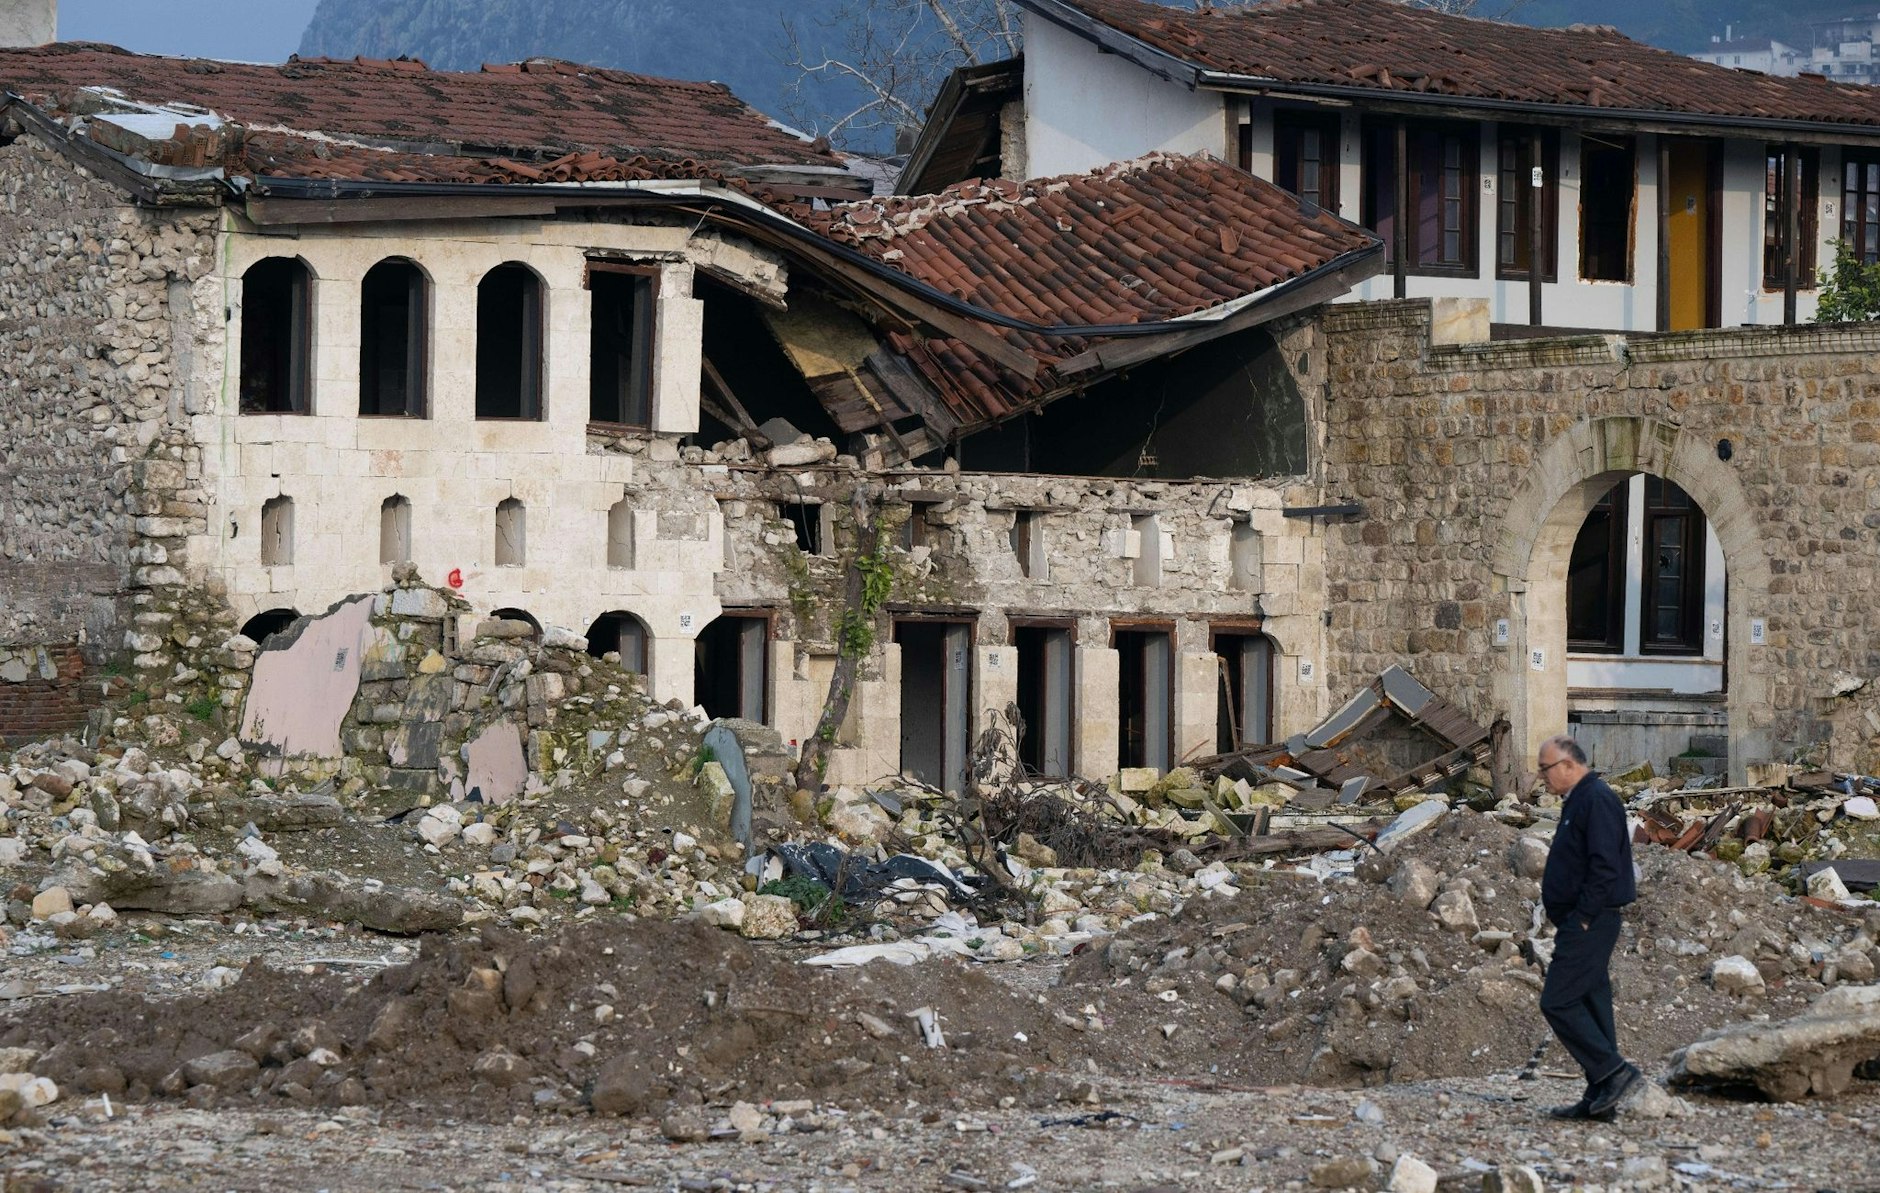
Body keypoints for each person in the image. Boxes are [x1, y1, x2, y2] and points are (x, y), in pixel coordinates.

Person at [1535, 734, 1640, 1120]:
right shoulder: (1578, 800)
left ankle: (1614, 1073)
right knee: (1593, 1005)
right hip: (1581, 918)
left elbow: (1605, 865)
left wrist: (1582, 915)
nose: (1541, 777)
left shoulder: (1596, 799)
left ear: (1568, 765)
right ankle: (1601, 1095)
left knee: (1558, 1001)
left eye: (1545, 768)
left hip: (1590, 920)